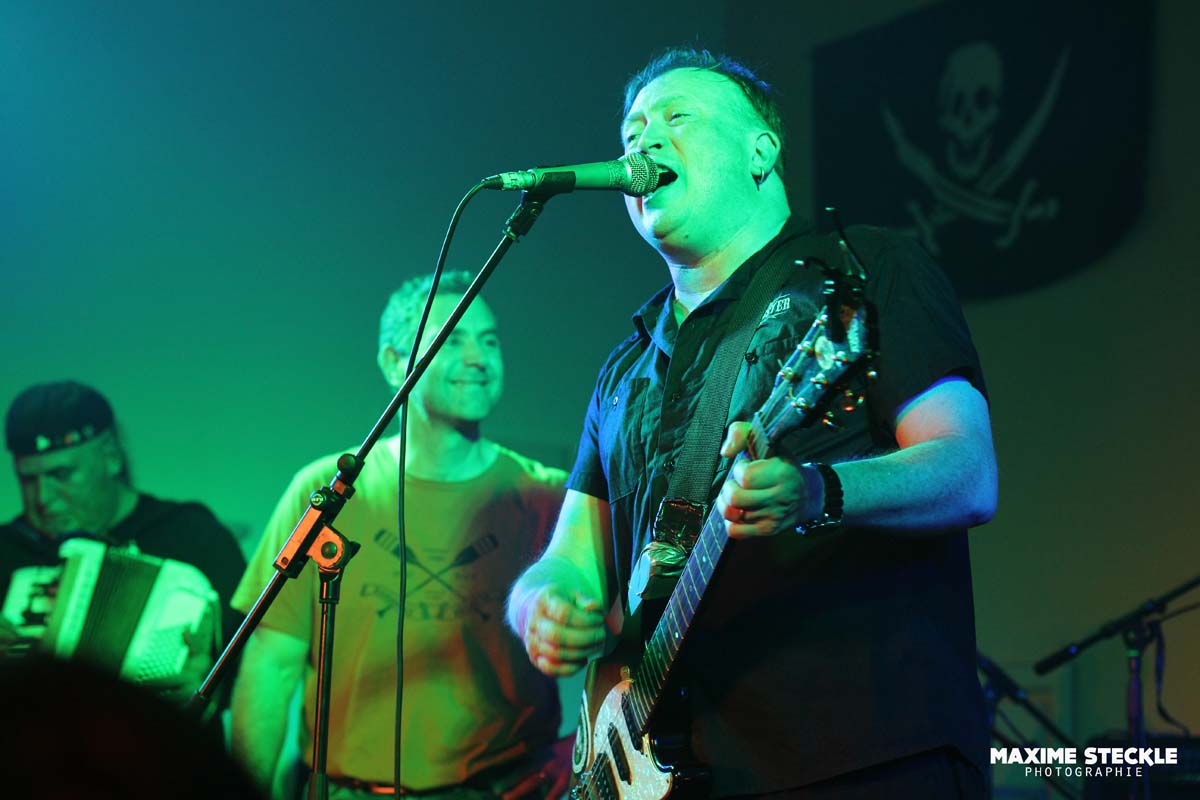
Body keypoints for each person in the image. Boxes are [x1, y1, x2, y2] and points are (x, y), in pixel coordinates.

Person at [507, 48, 999, 799]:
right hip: (671, 769)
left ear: (761, 152)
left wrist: (819, 490)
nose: (645, 139)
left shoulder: (863, 269)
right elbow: (569, 560)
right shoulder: (625, 366)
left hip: (860, 757)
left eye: (677, 117)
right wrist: (541, 606)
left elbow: (968, 471)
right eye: (633, 130)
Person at [231, 271, 570, 800]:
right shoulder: (327, 493)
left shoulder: (547, 496)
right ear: (394, 363)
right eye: (452, 339)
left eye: (489, 340)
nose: (478, 358)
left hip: (503, 789)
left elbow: (618, 641)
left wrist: (575, 755)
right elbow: (272, 661)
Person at [0, 380, 246, 707]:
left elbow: (255, 666)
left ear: (111, 456)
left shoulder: (192, 535)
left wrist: (208, 690)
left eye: (62, 475)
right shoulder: (8, 550)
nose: (43, 498)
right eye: (28, 479)